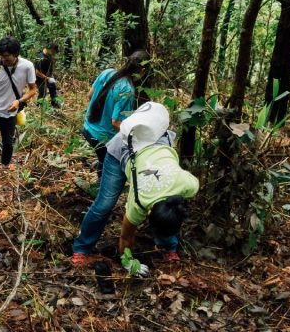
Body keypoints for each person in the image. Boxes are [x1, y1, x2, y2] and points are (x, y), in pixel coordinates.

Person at [72, 102, 198, 271]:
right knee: (104, 204)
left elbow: (174, 211)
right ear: (148, 212)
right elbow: (126, 236)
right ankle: (82, 248)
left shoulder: (187, 185)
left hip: (157, 138)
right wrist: (129, 263)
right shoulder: (139, 200)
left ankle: (167, 246)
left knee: (170, 217)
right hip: (124, 147)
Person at [81, 50, 150, 169]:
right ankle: (101, 174)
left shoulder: (107, 72)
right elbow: (116, 122)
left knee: (103, 158)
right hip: (101, 137)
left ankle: (100, 164)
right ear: (143, 71)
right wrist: (134, 139)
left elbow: (90, 95)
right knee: (109, 167)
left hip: (87, 128)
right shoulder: (127, 90)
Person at [0, 37, 38, 169]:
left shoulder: (27, 66)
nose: (3, 60)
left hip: (9, 111)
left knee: (8, 143)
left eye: (7, 57)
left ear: (16, 54)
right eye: (1, 56)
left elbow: (33, 90)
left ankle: (5, 166)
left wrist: (19, 101)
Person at [35, 41, 60, 108]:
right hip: (40, 78)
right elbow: (37, 72)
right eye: (54, 51)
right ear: (50, 49)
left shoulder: (49, 55)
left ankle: (54, 103)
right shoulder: (40, 57)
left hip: (49, 76)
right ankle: (39, 105)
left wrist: (51, 76)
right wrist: (47, 78)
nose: (54, 53)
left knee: (53, 88)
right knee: (43, 92)